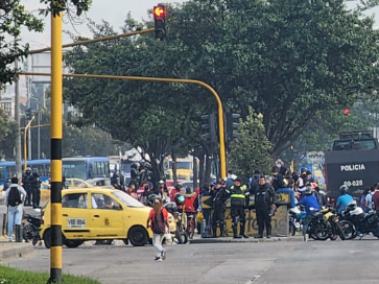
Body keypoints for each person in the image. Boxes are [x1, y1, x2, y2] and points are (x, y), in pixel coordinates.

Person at [146, 197, 170, 262]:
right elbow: (166, 221)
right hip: (163, 229)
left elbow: (148, 219)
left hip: (156, 229)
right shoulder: (164, 210)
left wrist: (147, 225)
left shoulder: (153, 211)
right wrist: (168, 228)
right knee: (159, 243)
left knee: (155, 243)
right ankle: (158, 256)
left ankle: (162, 251)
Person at [6, 177, 26, 242]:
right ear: (17, 182)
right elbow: (25, 194)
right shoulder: (19, 188)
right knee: (18, 221)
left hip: (11, 207)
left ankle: (10, 237)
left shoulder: (9, 189)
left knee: (10, 222)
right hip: (18, 206)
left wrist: (7, 205)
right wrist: (22, 201)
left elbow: (6, 198)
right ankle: (18, 237)